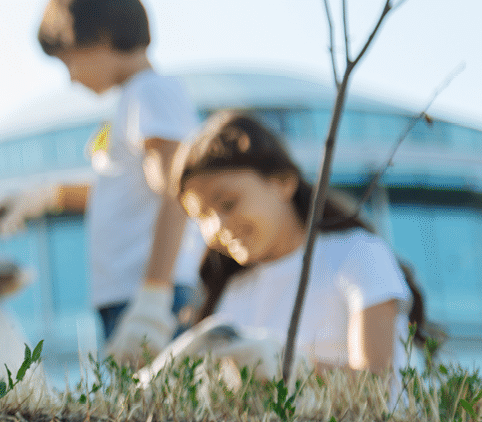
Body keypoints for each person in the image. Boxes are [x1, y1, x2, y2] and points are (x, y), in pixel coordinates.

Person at [158, 110, 438, 377]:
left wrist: (287, 366)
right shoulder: (233, 294)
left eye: (228, 203)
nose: (217, 226)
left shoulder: (357, 255)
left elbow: (376, 384)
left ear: (283, 182)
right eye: (202, 217)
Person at [5, 0, 206, 364]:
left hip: (149, 293)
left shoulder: (150, 92)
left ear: (99, 39)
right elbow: (126, 192)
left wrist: (153, 299)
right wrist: (51, 196)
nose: (70, 77)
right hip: (134, 293)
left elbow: (176, 193)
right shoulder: (137, 97)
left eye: (68, 60)